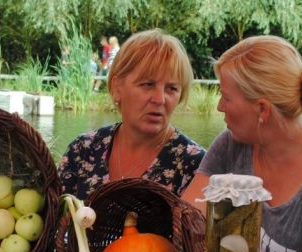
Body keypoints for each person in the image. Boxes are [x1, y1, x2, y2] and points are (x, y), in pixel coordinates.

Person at [181, 35, 302, 252]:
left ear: (262, 110)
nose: (219, 107)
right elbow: (187, 227)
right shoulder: (230, 144)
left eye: (226, 97)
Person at [58, 29, 206, 200]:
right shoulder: (82, 151)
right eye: (148, 84)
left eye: (172, 88)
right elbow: (54, 213)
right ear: (117, 88)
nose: (160, 99)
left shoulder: (196, 166)